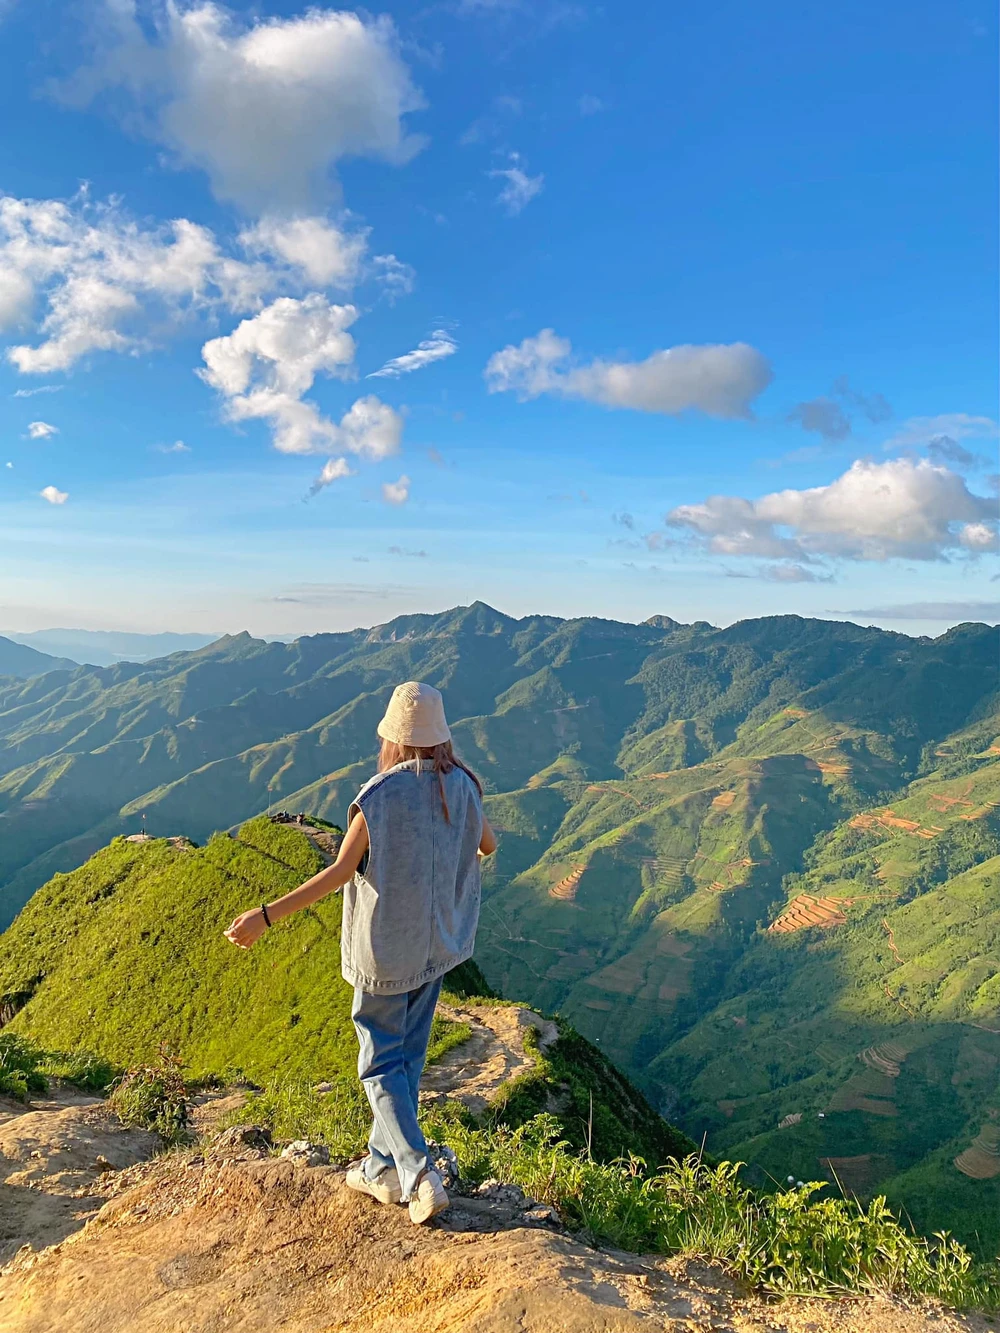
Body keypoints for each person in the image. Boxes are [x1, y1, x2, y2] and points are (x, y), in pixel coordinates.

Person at [224, 681, 497, 1225]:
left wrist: (265, 915)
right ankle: (381, 1168)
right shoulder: (464, 784)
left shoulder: (378, 797)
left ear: (393, 738)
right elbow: (488, 845)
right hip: (438, 944)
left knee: (379, 1066)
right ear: (441, 735)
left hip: (386, 952)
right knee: (407, 1062)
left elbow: (340, 872)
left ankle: (417, 1173)